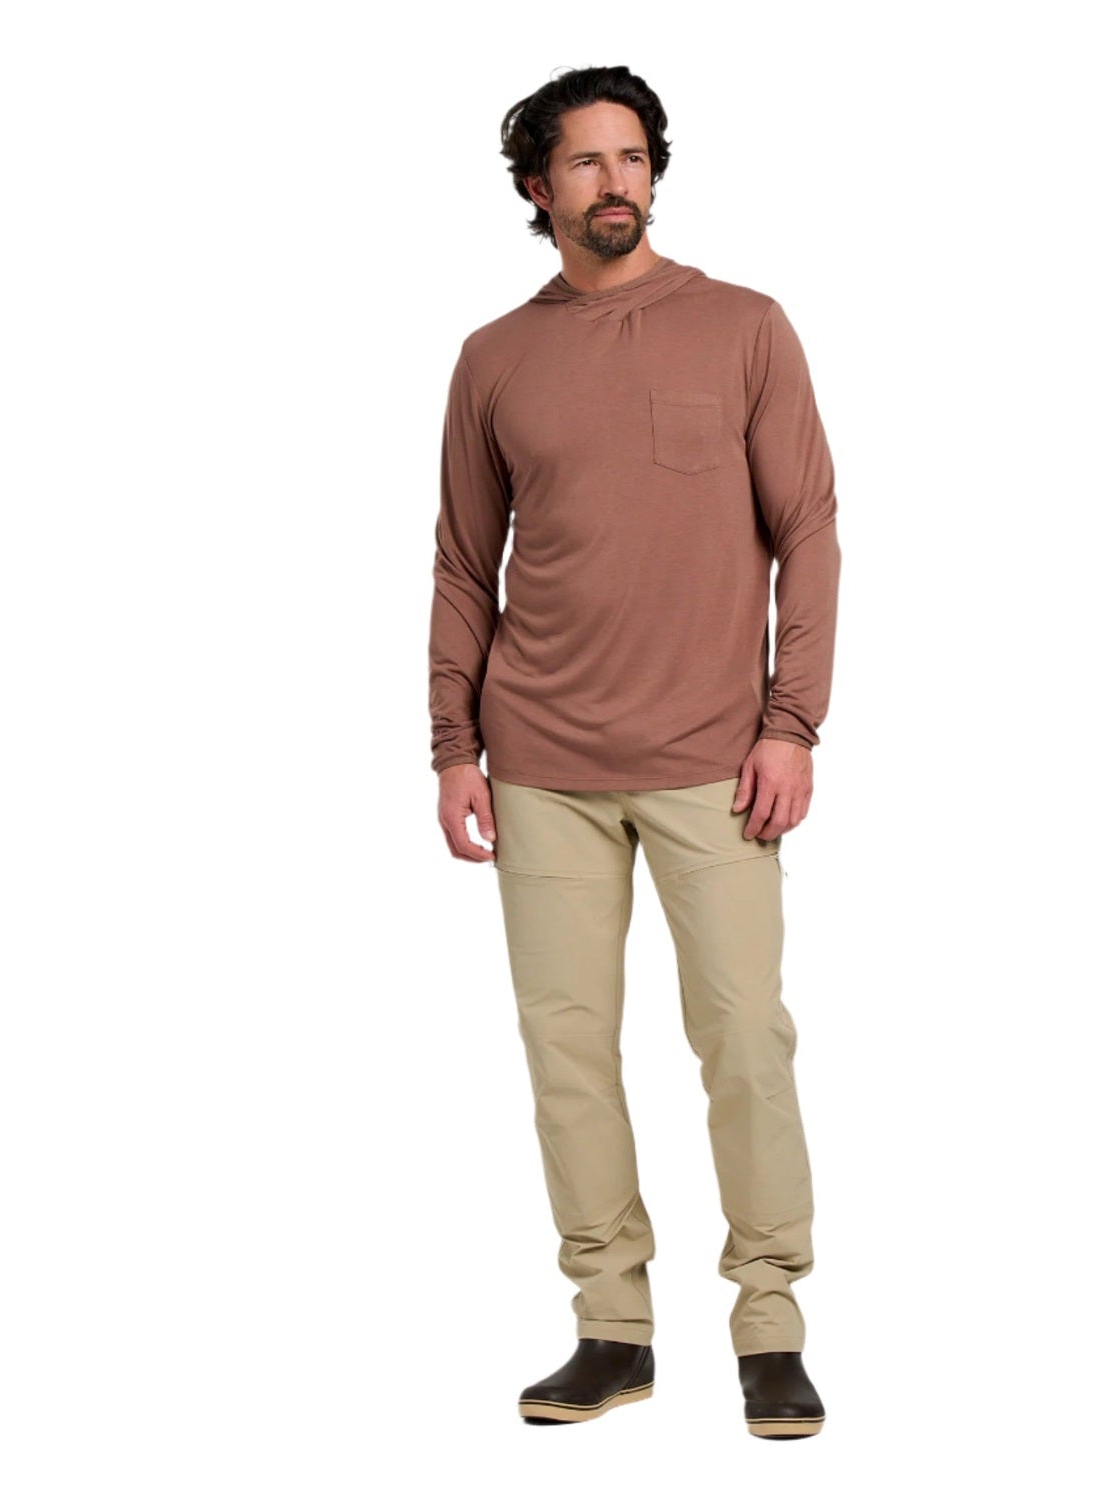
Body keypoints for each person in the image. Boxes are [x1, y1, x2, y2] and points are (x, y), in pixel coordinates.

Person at [426, 64, 842, 1440]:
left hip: (714, 759)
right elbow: (464, 563)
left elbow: (809, 534)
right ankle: (610, 1325)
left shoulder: (744, 327)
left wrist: (792, 724)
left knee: (744, 1039)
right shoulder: (494, 358)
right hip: (538, 760)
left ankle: (770, 1325)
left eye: (634, 158)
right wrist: (453, 744)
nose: (617, 183)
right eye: (586, 163)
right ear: (536, 188)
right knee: (568, 1053)